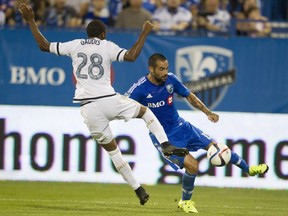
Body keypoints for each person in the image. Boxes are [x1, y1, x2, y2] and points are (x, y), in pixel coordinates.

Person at [17, 2, 189, 205]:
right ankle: (166, 145)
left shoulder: (74, 45)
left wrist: (31, 21)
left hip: (88, 109)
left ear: (87, 34)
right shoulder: (107, 46)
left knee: (113, 151)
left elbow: (44, 46)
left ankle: (138, 189)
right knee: (145, 112)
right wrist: (144, 33)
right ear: (104, 34)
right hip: (108, 100)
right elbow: (132, 56)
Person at [126, 53, 269, 213]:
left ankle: (249, 169)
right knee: (193, 166)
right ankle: (185, 202)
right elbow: (123, 105)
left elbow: (189, 96)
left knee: (217, 147)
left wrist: (207, 112)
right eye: (161, 69)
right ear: (151, 69)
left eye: (167, 68)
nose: (165, 72)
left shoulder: (171, 79)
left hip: (182, 127)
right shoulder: (139, 89)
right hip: (164, 137)